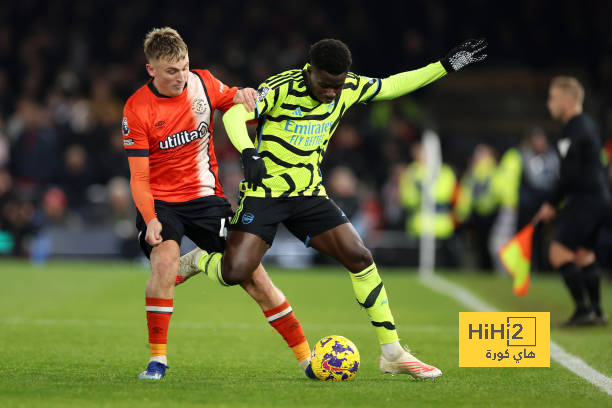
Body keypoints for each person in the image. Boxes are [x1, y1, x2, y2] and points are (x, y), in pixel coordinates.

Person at [191, 37, 488, 379]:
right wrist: (247, 151)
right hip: (265, 194)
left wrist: (444, 66)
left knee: (359, 256)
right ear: (310, 71)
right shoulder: (280, 88)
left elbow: (393, 85)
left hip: (308, 195)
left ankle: (392, 352)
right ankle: (200, 259)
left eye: (338, 84)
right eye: (326, 84)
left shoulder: (349, 87)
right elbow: (234, 114)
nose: (333, 92)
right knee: (235, 272)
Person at [122, 27, 312, 380]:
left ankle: (307, 359)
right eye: (171, 71)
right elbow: (139, 178)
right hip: (162, 202)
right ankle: (158, 361)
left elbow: (236, 101)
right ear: (151, 69)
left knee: (251, 274)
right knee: (164, 264)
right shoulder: (136, 109)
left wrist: (247, 94)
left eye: (184, 67)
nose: (181, 78)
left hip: (207, 199)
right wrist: (150, 219)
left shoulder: (204, 83)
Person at [535, 76, 611, 326]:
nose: (549, 104)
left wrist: (552, 203)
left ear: (568, 100)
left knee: (557, 253)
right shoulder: (588, 125)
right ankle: (597, 311)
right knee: (584, 254)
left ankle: (582, 310)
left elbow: (570, 174)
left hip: (586, 199)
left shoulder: (573, 129)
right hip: (600, 198)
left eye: (553, 98)